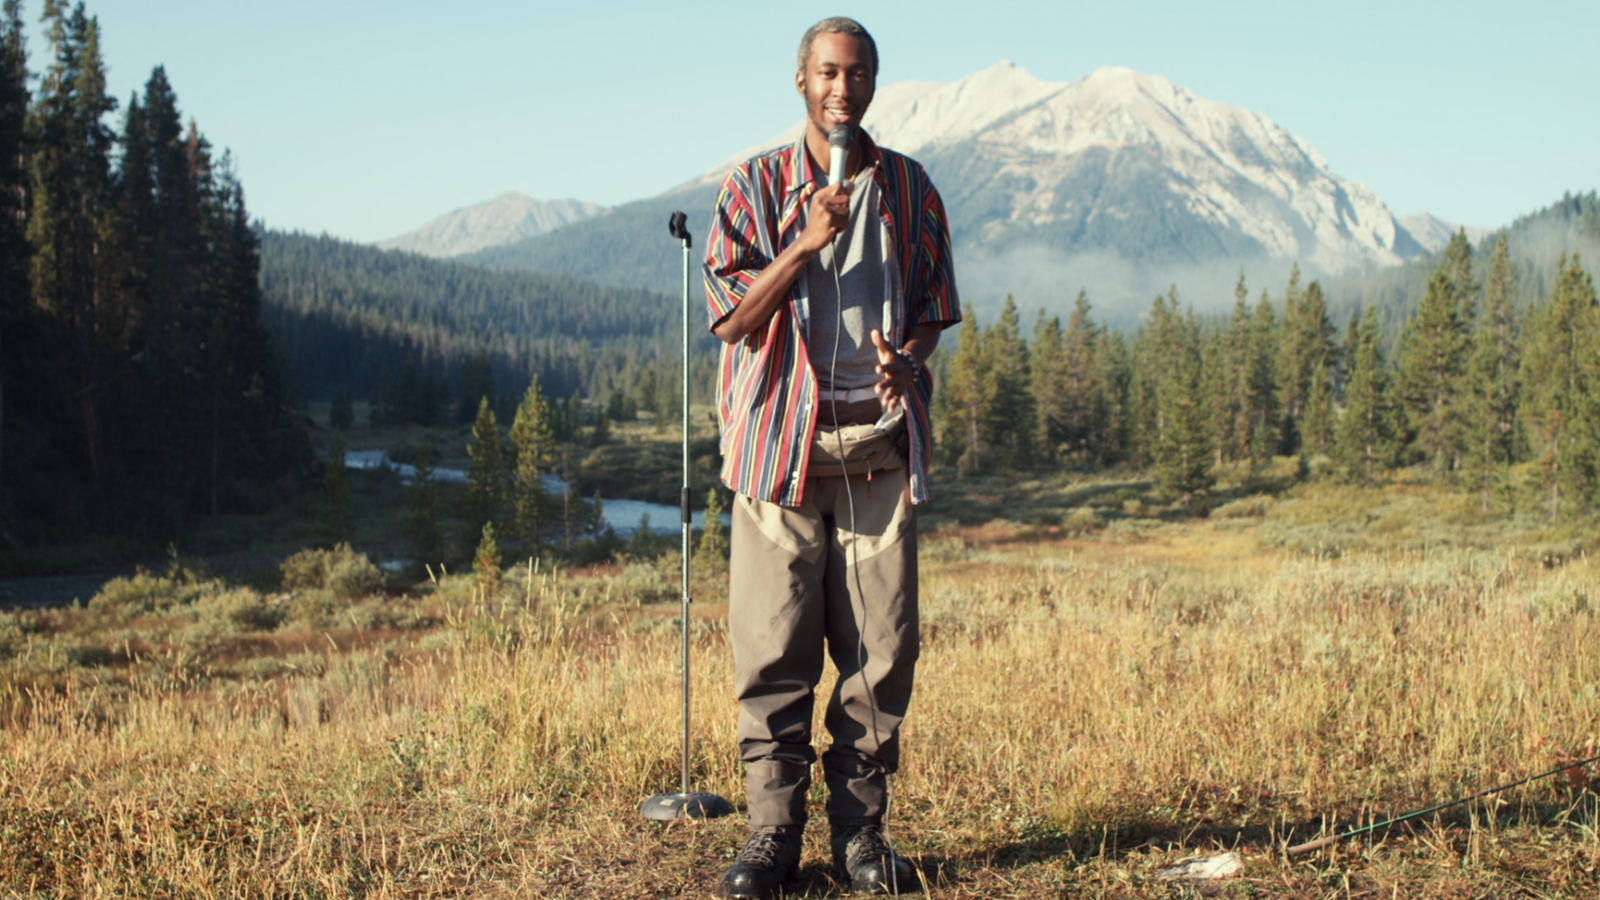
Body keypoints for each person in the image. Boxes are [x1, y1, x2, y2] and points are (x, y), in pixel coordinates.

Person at [703, 16, 961, 898]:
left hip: (876, 453)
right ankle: (772, 837)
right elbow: (732, 320)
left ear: (874, 83)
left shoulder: (912, 189)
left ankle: (861, 838)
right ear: (801, 82)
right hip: (780, 456)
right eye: (826, 73)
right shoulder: (753, 187)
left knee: (881, 654)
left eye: (856, 73)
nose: (841, 88)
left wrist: (909, 362)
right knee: (773, 650)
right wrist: (803, 244)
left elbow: (931, 310)